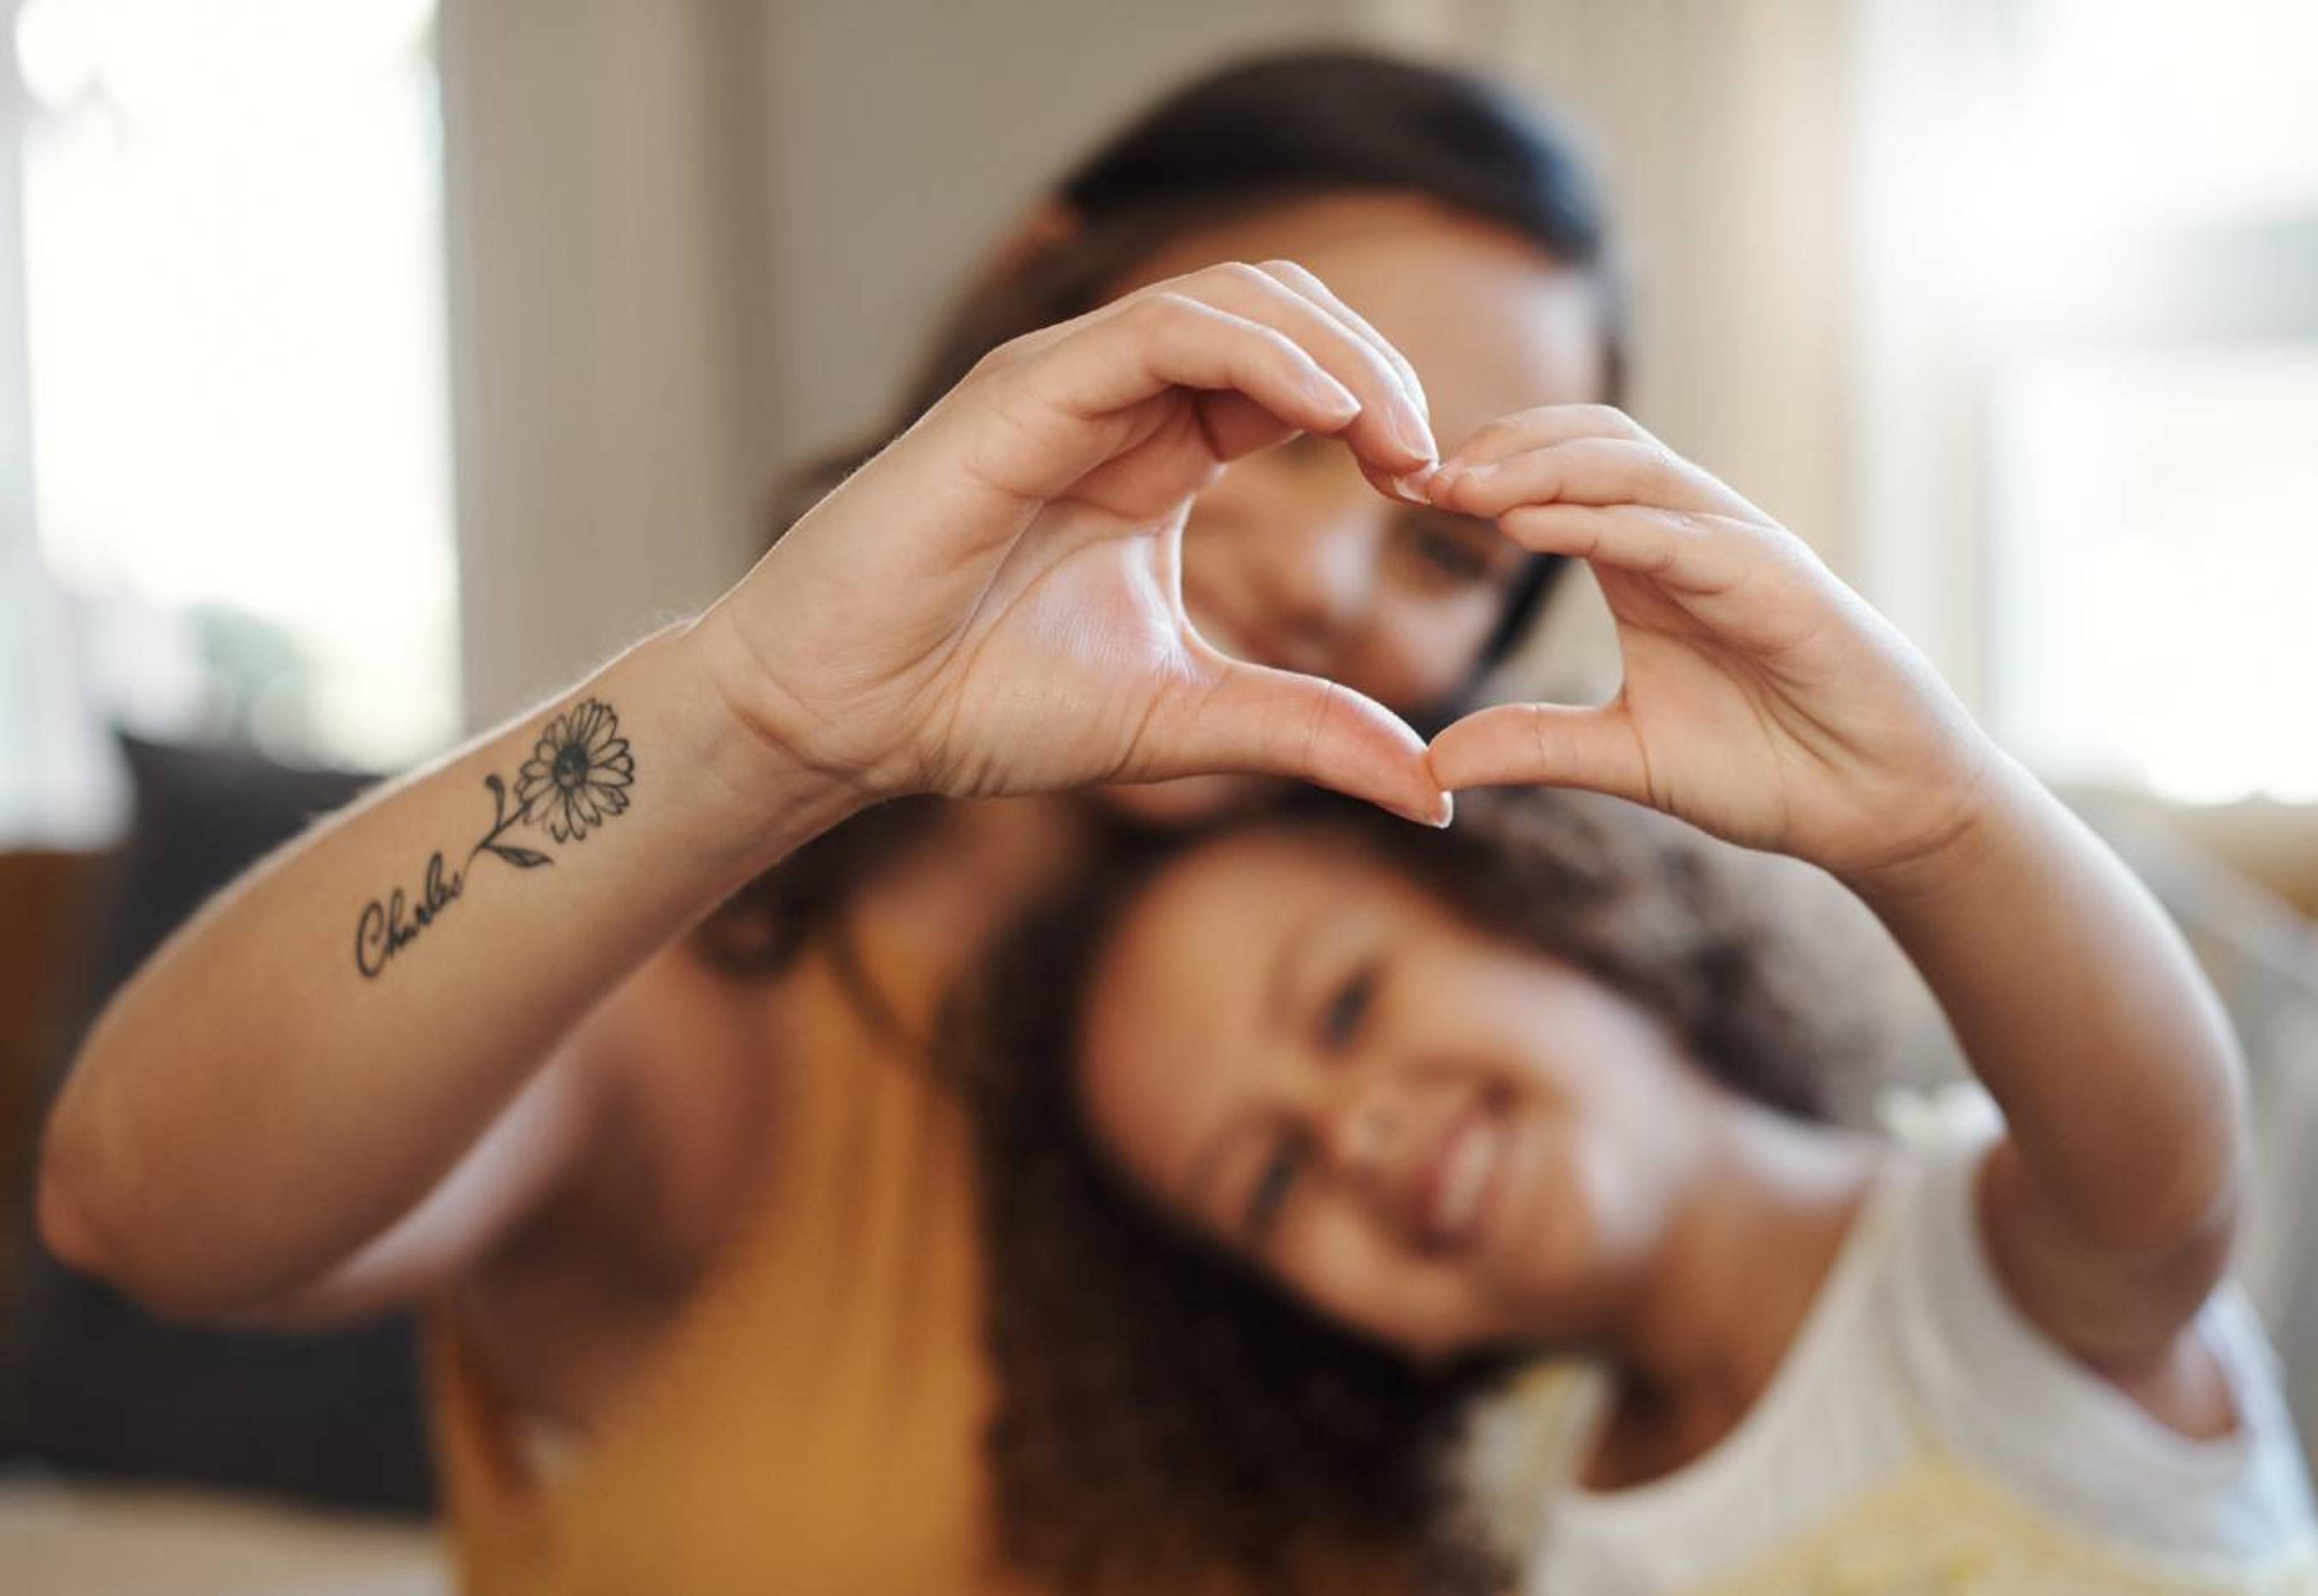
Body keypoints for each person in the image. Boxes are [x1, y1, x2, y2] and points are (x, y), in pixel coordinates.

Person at [36, 49, 1633, 1594]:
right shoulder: (691, 1005)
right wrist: (751, 712)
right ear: (1042, 305)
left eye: (1446, 559)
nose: (1324, 578)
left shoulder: (1451, 1083)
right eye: (1276, 418)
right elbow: (136, 1200)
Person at [963, 406, 2318, 1594]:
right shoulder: (1528, 1511)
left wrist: (1930, 820)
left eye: (1343, 1007)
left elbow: (2164, 1183)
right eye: (1270, 1179)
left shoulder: (1974, 1282)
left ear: (1557, 911)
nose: (1356, 1134)